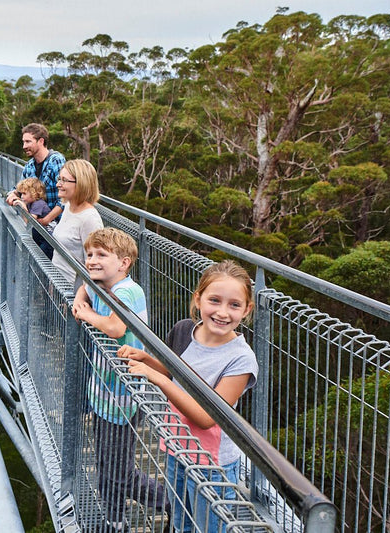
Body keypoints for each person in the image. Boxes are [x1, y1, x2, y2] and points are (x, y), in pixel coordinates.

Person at [118, 260, 259, 533]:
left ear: (247, 309)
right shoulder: (185, 330)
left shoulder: (241, 359)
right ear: (198, 298)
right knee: (181, 523)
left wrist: (153, 375)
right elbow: (175, 373)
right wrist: (147, 358)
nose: (222, 312)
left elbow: (207, 417)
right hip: (176, 447)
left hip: (211, 463)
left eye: (234, 305)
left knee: (209, 528)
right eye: (214, 300)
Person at [71, 228, 167, 531]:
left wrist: (84, 315)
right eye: (89, 255)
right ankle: (114, 519)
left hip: (122, 396)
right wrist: (79, 299)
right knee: (106, 465)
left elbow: (114, 328)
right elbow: (85, 285)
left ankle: (173, 503)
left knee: (121, 472)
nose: (92, 260)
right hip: (104, 392)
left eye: (101, 255)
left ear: (124, 263)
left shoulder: (128, 291)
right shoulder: (99, 282)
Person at [51, 159, 103, 284]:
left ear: (81, 184)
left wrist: (82, 298)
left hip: (72, 294)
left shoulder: (90, 219)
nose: (58, 184)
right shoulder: (68, 206)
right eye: (59, 179)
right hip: (57, 285)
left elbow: (94, 267)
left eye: (64, 180)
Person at [6, 123, 65, 229]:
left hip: (57, 226)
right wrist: (13, 194)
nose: (24, 146)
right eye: (23, 142)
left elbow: (65, 197)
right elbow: (19, 189)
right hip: (35, 223)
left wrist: (46, 220)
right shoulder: (29, 166)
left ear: (41, 141)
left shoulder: (56, 160)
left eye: (28, 141)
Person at [13, 177, 55, 258]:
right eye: (21, 193)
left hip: (48, 239)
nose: (22, 196)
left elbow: (29, 222)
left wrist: (23, 207)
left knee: (41, 256)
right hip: (41, 234)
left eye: (24, 194)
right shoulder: (30, 203)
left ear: (34, 194)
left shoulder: (38, 203)